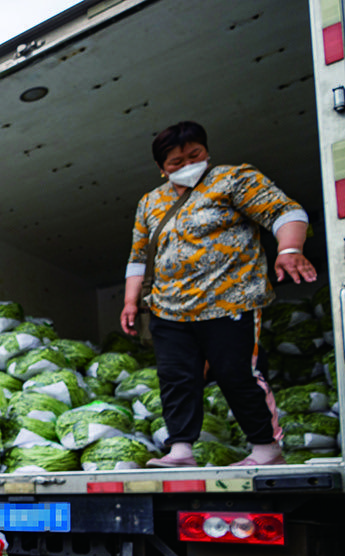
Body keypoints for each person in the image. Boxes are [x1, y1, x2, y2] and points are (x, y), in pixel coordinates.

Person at [120, 121, 316, 468]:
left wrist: (289, 248)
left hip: (230, 301)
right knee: (176, 378)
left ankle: (266, 449)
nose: (187, 165)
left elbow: (284, 211)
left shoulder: (233, 179)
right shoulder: (151, 202)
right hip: (168, 308)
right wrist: (130, 301)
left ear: (206, 152)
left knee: (236, 373)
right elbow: (138, 256)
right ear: (161, 168)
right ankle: (180, 449)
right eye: (175, 162)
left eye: (194, 155)